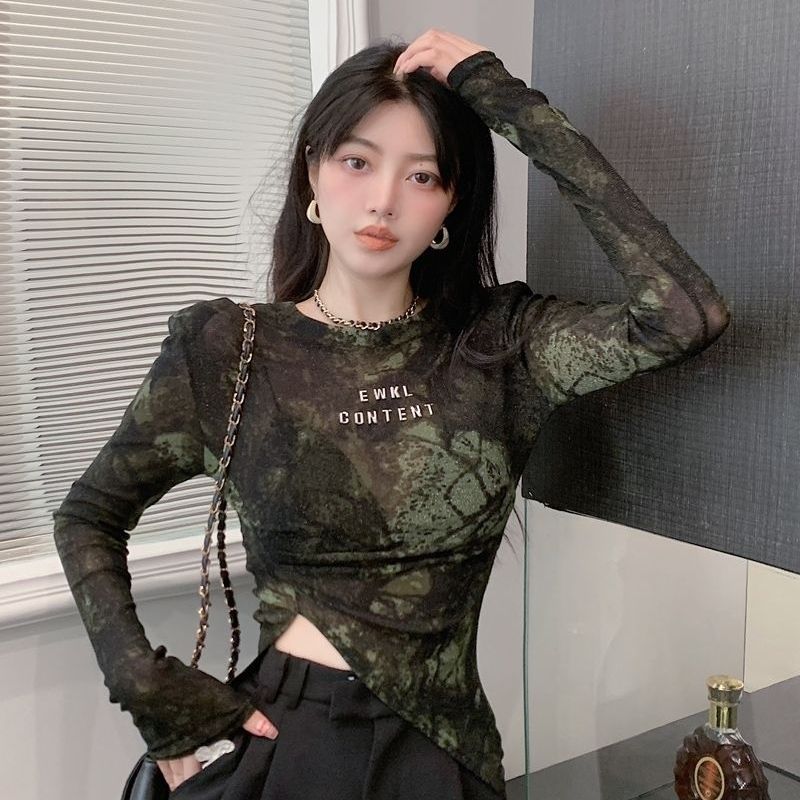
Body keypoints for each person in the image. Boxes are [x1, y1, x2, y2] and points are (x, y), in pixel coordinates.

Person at [52, 28, 731, 800]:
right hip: (284, 745)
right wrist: (148, 690)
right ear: (313, 172)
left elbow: (685, 314)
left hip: (445, 752)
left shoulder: (503, 344)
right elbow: (88, 516)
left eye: (423, 175)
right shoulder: (225, 349)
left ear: (450, 203)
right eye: (358, 162)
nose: (383, 200)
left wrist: (502, 99)